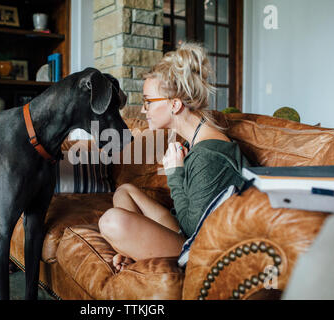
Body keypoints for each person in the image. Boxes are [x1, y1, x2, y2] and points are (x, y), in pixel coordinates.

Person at [98, 42, 251, 272]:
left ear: (175, 104)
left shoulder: (208, 156)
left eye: (148, 101)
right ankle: (135, 250)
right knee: (124, 191)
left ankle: (136, 251)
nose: (143, 109)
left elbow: (192, 229)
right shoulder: (195, 139)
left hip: (201, 247)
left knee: (111, 221)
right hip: (186, 231)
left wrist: (175, 174)